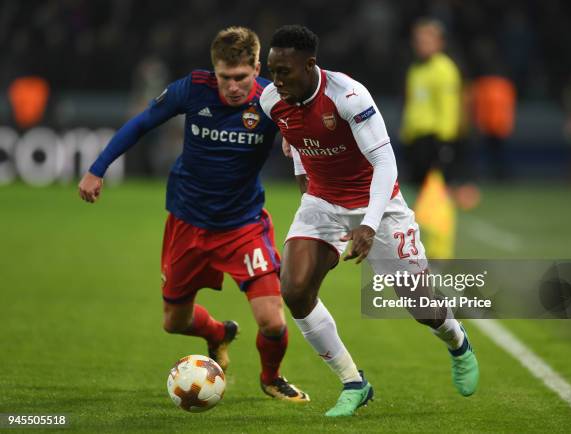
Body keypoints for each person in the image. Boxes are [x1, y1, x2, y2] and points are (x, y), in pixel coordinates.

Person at [78, 26, 309, 402]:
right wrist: (97, 168)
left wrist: (294, 143)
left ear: (255, 67)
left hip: (243, 226)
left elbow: (307, 136)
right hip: (188, 221)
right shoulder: (191, 88)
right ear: (214, 70)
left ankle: (271, 377)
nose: (232, 87)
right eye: (224, 78)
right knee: (175, 322)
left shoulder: (273, 100)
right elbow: (141, 124)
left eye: (241, 78)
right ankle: (217, 333)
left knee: (272, 319)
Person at [260, 25, 479, 417]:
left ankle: (457, 340)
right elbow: (293, 141)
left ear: (310, 65)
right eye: (271, 71)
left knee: (421, 304)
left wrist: (368, 224)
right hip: (322, 201)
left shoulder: (348, 96)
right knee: (294, 291)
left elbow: (384, 162)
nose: (275, 81)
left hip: (377, 203)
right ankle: (353, 382)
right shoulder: (273, 99)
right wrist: (307, 195)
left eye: (284, 72)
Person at [399, 18, 461, 189]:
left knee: (434, 192)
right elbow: (411, 104)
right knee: (416, 190)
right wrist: (406, 133)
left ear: (439, 42)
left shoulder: (444, 69)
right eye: (418, 41)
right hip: (415, 138)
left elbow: (449, 107)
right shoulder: (415, 69)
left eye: (427, 40)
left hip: (434, 139)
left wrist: (445, 143)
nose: (421, 45)